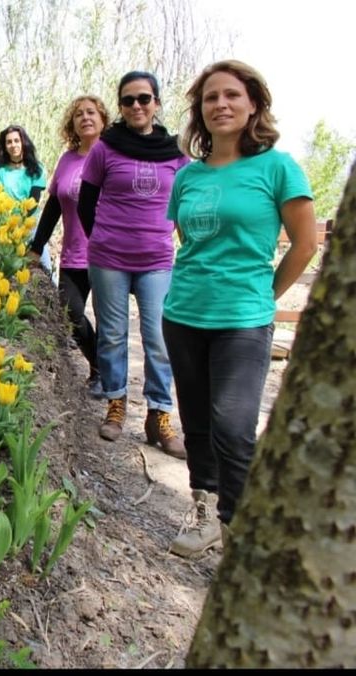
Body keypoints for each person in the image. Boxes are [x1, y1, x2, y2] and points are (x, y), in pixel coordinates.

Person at [164, 60, 316, 556]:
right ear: (200, 111)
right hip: (184, 314)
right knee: (199, 424)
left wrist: (263, 297)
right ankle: (205, 511)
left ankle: (240, 534)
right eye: (211, 98)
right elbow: (190, 242)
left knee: (233, 428)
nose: (221, 105)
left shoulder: (277, 167)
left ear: (253, 104)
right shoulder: (187, 177)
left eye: (232, 95)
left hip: (243, 322)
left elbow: (304, 244)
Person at [77, 70, 189, 458]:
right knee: (112, 334)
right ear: (121, 107)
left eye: (144, 98)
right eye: (128, 100)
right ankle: (116, 403)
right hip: (109, 258)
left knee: (159, 339)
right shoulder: (105, 149)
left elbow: (186, 204)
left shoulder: (177, 152)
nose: (137, 106)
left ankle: (159, 415)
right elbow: (86, 201)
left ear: (156, 103)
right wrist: (103, 238)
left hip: (157, 260)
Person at [28, 96, 111, 398]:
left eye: (91, 113)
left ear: (103, 119)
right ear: (72, 123)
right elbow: (53, 206)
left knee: (107, 320)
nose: (85, 117)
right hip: (74, 253)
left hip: (107, 255)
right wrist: (37, 247)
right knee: (70, 313)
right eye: (78, 114)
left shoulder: (113, 156)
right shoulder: (67, 159)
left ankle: (102, 376)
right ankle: (100, 364)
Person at [0, 124, 51, 276]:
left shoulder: (36, 169)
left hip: (30, 225)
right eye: (9, 142)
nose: (13, 145)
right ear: (4, 146)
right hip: (6, 225)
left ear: (23, 142)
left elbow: (34, 200)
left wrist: (22, 223)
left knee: (44, 266)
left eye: (16, 141)